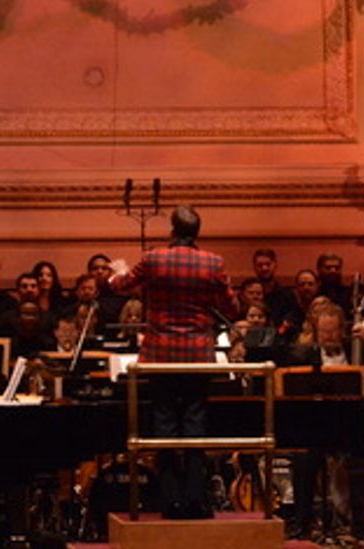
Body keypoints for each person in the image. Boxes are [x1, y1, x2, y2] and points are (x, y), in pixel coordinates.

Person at [108, 205, 235, 520]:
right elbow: (232, 309)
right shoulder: (214, 263)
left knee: (163, 422)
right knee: (195, 422)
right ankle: (195, 499)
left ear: (172, 230)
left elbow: (119, 286)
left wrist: (118, 271)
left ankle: (170, 501)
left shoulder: (154, 258)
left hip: (160, 354)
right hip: (198, 356)